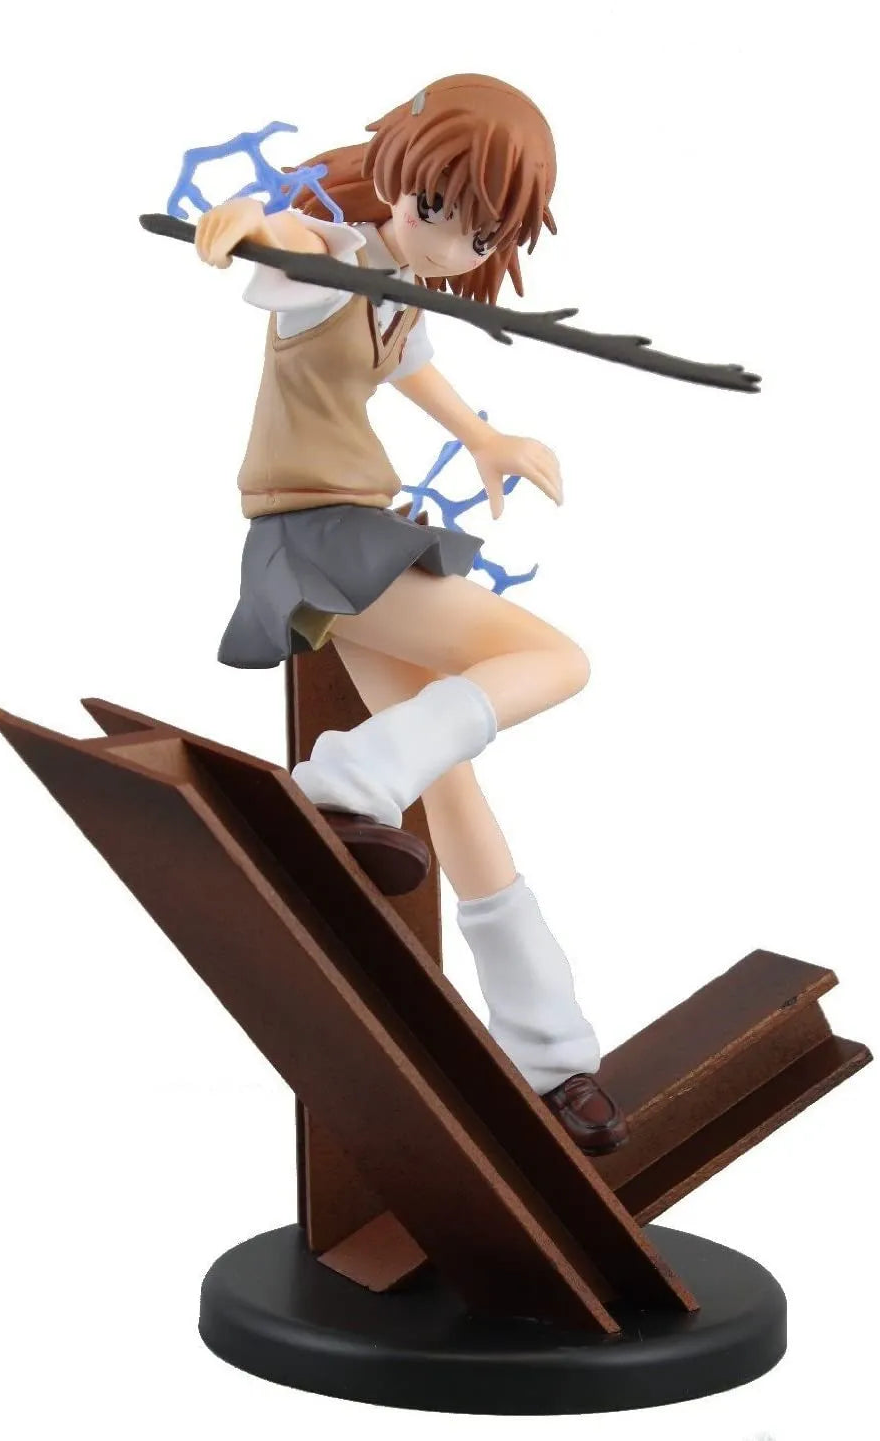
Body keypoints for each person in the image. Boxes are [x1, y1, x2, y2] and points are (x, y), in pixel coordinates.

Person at [194, 73, 627, 1155]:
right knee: (554, 660)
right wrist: (245, 221)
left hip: (355, 529)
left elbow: (416, 370)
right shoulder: (329, 263)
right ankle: (347, 778)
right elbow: (284, 237)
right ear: (398, 178)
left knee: (451, 783)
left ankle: (552, 1056)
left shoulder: (399, 295)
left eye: (480, 232)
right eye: (438, 208)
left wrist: (487, 440)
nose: (451, 243)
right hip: (317, 534)